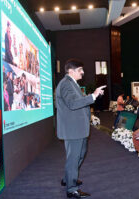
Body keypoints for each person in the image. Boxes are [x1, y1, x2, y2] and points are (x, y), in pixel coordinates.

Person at [56, 59, 106, 198]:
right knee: (74, 158)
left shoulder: (73, 84)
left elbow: (78, 101)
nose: (83, 72)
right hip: (73, 130)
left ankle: (68, 178)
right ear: (71, 71)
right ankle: (72, 189)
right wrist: (93, 96)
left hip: (78, 129)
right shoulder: (66, 84)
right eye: (80, 70)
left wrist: (92, 96)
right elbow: (72, 104)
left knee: (79, 155)